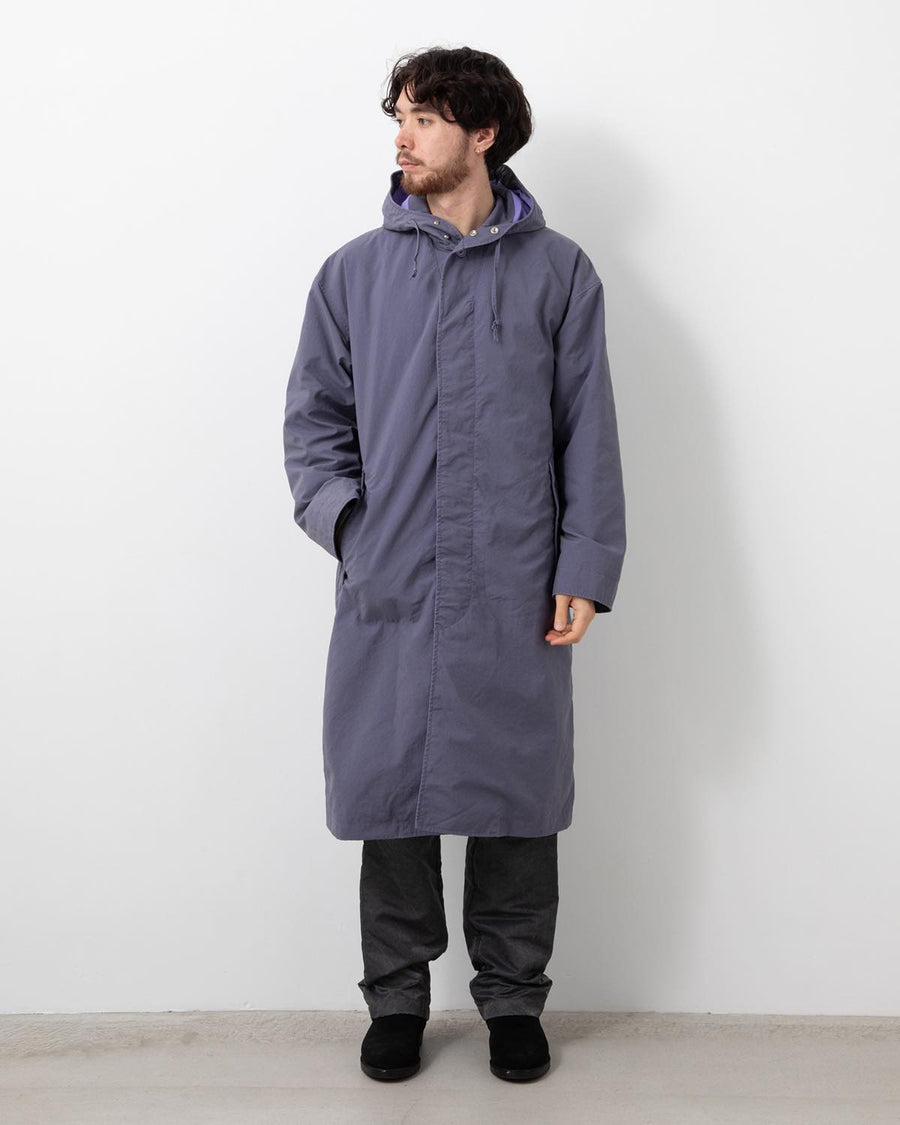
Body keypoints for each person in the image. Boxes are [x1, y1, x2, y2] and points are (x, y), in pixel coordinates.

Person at [282, 46, 626, 1083]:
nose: (403, 135)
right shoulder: (352, 275)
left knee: (515, 800)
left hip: (516, 580)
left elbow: (588, 431)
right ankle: (396, 1002)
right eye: (399, 115)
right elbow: (313, 426)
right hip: (391, 580)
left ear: (483, 133)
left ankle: (513, 1002)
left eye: (425, 117)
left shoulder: (559, 273)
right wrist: (352, 527)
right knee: (391, 798)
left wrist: (584, 563)